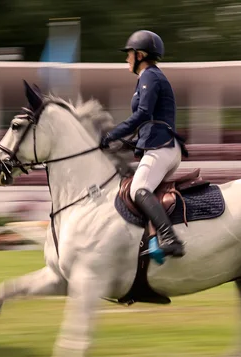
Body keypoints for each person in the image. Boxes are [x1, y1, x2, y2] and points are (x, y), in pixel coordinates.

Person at [101, 30, 187, 258]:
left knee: (139, 189)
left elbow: (142, 114)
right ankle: (151, 239)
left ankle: (170, 238)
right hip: (160, 145)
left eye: (129, 54)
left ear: (139, 55)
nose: (126, 59)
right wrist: (129, 144)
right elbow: (150, 122)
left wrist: (112, 135)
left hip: (163, 147)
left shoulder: (150, 76)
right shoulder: (149, 77)